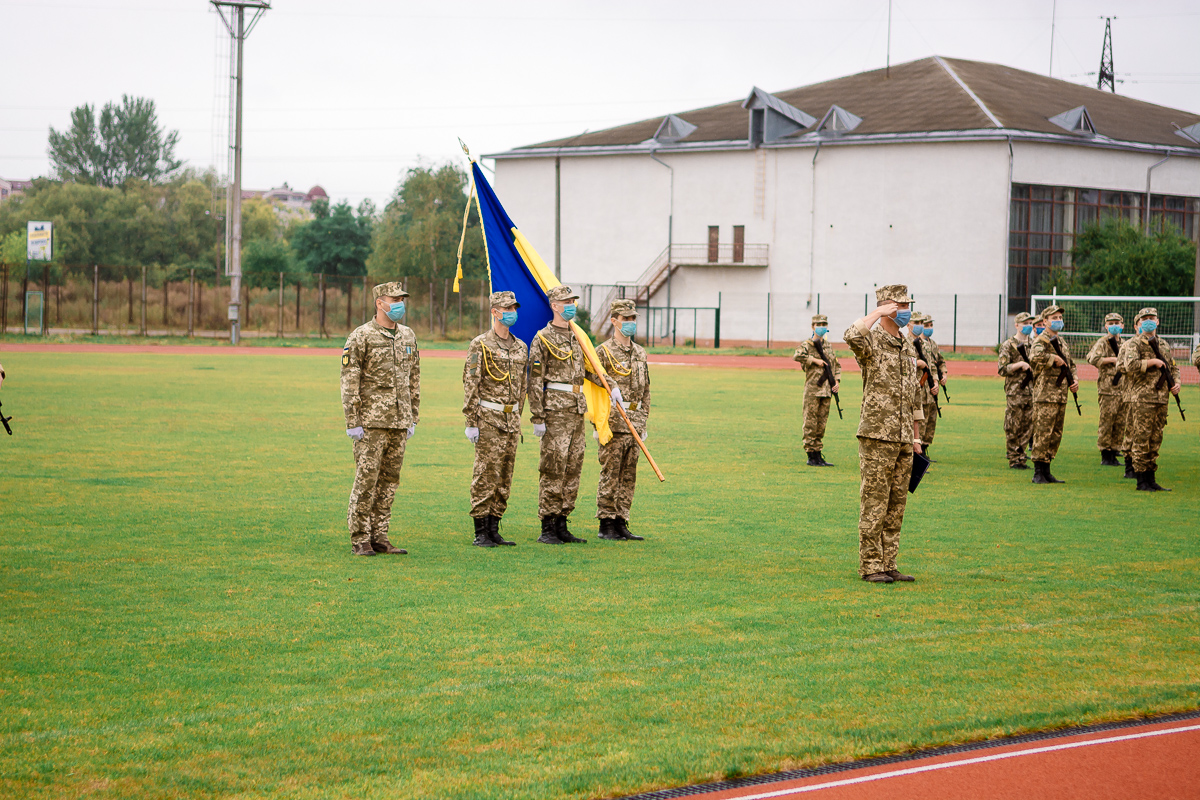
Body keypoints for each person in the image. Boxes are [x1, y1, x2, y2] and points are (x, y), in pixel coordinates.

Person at [843, 285, 923, 585]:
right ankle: (870, 565)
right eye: (901, 305)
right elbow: (850, 335)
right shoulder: (872, 341)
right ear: (888, 306)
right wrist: (877, 313)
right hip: (877, 434)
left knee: (896, 503)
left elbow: (913, 394)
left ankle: (889, 562)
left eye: (908, 305)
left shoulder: (906, 344)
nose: (906, 311)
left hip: (903, 436)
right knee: (874, 502)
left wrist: (916, 437)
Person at [340, 281, 420, 556]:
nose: (400, 303)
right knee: (366, 480)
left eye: (402, 298)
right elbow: (350, 381)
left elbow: (414, 379)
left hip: (399, 421)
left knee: (389, 482)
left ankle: (380, 535)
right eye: (394, 299)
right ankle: (360, 538)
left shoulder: (408, 336)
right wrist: (353, 421)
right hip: (371, 422)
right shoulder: (361, 336)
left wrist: (413, 417)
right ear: (379, 303)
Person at [528, 285, 602, 545]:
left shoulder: (577, 336)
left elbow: (587, 371)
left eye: (573, 301)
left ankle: (562, 522)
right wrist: (537, 416)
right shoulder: (543, 338)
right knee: (553, 467)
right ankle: (547, 525)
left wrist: (608, 384)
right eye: (566, 301)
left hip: (576, 410)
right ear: (554, 305)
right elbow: (535, 380)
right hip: (555, 412)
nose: (571, 304)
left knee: (573, 467)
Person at [462, 291, 527, 547]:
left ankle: (494, 526)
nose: (512, 312)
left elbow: (522, 386)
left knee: (503, 477)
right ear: (494, 312)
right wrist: (471, 421)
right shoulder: (480, 344)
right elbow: (471, 383)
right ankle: (480, 531)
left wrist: (519, 415)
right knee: (485, 474)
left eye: (514, 307)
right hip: (488, 418)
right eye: (506, 308)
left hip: (511, 421)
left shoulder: (520, 346)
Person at [594, 299, 650, 541]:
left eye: (633, 318)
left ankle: (621, 521)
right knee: (611, 472)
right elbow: (593, 381)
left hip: (635, 420)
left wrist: (644, 420)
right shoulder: (603, 351)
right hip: (614, 421)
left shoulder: (639, 353)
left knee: (629, 474)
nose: (630, 323)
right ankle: (606, 522)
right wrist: (598, 422)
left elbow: (646, 390)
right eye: (625, 319)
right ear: (613, 320)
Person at [1117, 308, 1181, 491]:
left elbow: (1173, 367)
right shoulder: (1134, 344)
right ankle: (1141, 479)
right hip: (1142, 398)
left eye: (1152, 318)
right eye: (1145, 319)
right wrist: (1152, 363)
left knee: (1155, 438)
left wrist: (1176, 383)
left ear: (1158, 321)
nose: (1149, 321)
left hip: (1161, 399)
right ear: (1139, 323)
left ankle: (1151, 478)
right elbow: (1130, 365)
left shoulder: (1164, 344)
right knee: (1141, 438)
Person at [1028, 304, 1078, 484]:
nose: (1058, 321)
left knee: (1055, 434)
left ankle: (1047, 469)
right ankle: (1038, 472)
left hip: (1060, 395)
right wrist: (1052, 359)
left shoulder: (1061, 341)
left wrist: (1075, 380)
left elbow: (1070, 363)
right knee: (1043, 433)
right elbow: (1034, 358)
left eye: (1059, 318)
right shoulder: (1041, 341)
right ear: (1045, 321)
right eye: (1054, 318)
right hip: (1045, 395)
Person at [792, 314, 841, 467]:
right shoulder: (807, 345)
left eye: (824, 324)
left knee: (821, 424)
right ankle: (811, 455)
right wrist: (814, 360)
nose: (822, 327)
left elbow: (836, 365)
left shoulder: (828, 345)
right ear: (813, 327)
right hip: (813, 389)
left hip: (826, 390)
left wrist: (837, 381)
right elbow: (797, 356)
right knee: (810, 423)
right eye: (818, 324)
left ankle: (818, 455)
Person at [1085, 313, 1126, 467]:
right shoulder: (1103, 342)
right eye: (1111, 323)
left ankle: (1115, 449)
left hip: (1123, 388)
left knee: (1120, 421)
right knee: (1107, 421)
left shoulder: (1125, 343)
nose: (1114, 325)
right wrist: (1112, 360)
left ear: (1122, 325)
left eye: (1117, 322)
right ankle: (1105, 453)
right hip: (1108, 388)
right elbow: (1091, 358)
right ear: (1105, 326)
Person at [997, 312, 1036, 469]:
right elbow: (1002, 369)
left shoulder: (1034, 344)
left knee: (1028, 425)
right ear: (1017, 325)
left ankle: (1022, 456)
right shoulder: (1008, 345)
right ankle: (1013, 457)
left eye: (1029, 323)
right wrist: (1019, 365)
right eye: (1024, 322)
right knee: (1014, 424)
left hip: (1032, 391)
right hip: (1015, 391)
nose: (1027, 325)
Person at [919, 315, 948, 460]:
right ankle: (919, 454)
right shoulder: (916, 344)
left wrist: (943, 375)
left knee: (931, 421)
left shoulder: (933, 344)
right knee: (921, 422)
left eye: (931, 325)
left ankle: (925, 448)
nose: (929, 327)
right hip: (921, 389)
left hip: (932, 390)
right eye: (926, 325)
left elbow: (939, 362)